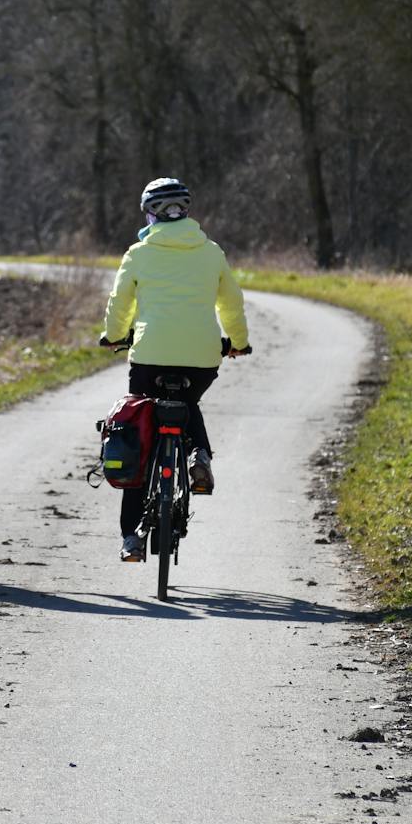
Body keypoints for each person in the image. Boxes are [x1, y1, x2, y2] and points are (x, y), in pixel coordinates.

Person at [101, 177, 250, 562]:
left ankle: (131, 538)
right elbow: (231, 303)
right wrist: (237, 342)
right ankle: (198, 454)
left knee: (143, 433)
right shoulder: (211, 252)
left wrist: (114, 336)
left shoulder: (138, 252)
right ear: (186, 211)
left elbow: (120, 303)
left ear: (149, 213)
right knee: (188, 403)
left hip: (149, 353)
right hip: (201, 355)